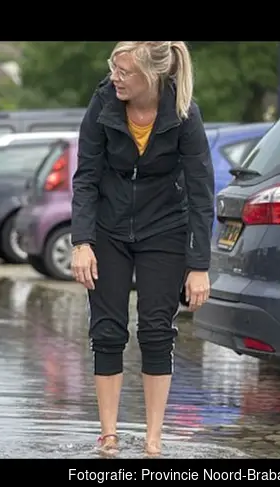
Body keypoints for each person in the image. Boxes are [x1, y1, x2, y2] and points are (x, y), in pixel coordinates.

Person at [70, 41, 214, 457]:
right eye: (113, 68)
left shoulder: (184, 113)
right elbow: (86, 177)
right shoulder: (102, 103)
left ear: (150, 77)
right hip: (108, 229)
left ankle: (153, 439)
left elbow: (202, 192)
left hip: (165, 230)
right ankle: (109, 436)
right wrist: (82, 241)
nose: (115, 77)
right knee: (108, 330)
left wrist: (198, 265)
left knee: (155, 330)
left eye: (124, 71)